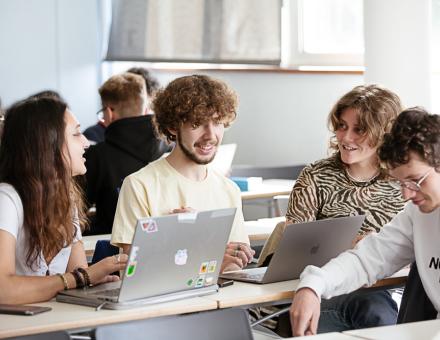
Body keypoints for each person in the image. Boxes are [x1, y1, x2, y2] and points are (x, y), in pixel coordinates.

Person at [255, 85, 405, 335]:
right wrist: (352, 249)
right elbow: (295, 253)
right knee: (374, 310)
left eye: (360, 129)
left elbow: (411, 251)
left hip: (380, 290)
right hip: (317, 292)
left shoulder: (403, 182)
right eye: (342, 126)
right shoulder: (316, 175)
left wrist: (376, 250)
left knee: (379, 307)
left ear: (385, 134)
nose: (346, 138)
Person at [290, 107, 440, 336]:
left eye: (414, 180)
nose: (406, 195)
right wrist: (312, 285)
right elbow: (366, 260)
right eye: (401, 184)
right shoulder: (418, 215)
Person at [111, 75, 254, 273]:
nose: (211, 135)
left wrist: (202, 247)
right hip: (164, 302)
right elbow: (134, 270)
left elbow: (231, 265)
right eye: (197, 124)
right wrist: (202, 245)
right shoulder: (139, 185)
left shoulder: (229, 190)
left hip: (223, 299)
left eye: (218, 122)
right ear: (172, 127)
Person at [0, 96, 127, 304]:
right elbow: (3, 290)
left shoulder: (66, 198)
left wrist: (93, 279)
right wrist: (80, 278)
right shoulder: (7, 200)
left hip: (53, 321)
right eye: (77, 134)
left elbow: (77, 275)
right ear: (47, 145)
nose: (86, 142)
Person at [84, 73, 169, 235]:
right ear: (145, 109)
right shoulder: (171, 147)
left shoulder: (97, 157)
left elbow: (75, 212)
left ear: (109, 112)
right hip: (167, 239)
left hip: (114, 248)